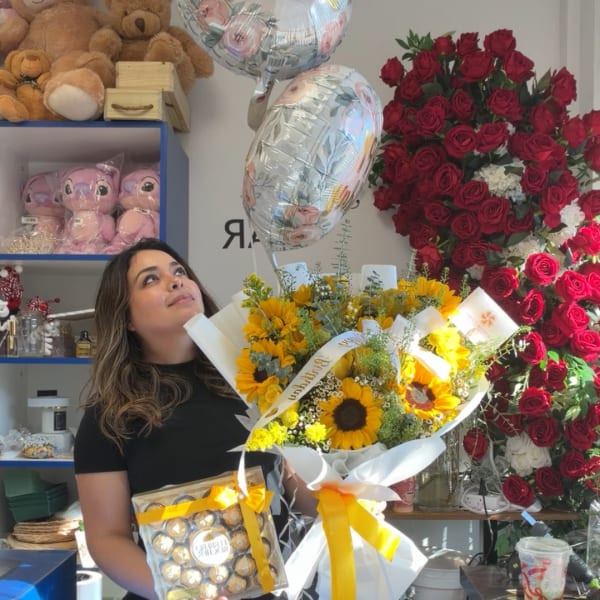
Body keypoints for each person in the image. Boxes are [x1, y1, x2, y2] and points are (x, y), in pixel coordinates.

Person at [74, 238, 316, 600]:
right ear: (126, 318)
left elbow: (293, 491)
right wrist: (180, 594)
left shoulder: (257, 381)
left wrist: (351, 494)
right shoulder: (109, 415)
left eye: (179, 272)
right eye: (150, 279)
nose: (175, 281)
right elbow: (107, 539)